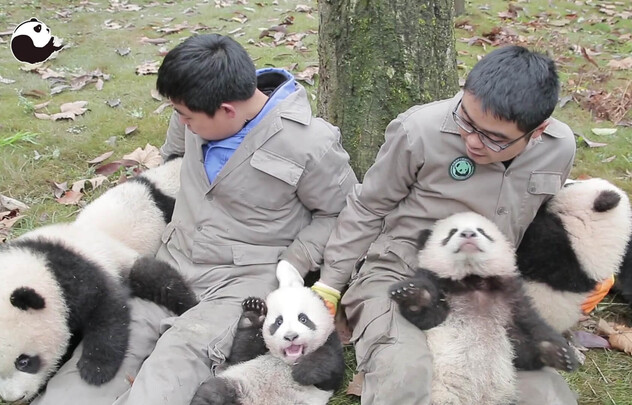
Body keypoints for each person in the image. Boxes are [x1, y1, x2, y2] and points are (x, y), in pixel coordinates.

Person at [33, 33, 357, 405]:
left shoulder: (309, 143)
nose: (182, 123)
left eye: (188, 117)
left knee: (177, 359)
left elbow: (341, 212)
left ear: (227, 110)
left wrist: (295, 262)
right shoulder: (191, 111)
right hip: (172, 261)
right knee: (107, 347)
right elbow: (172, 166)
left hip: (241, 280)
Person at [314, 45, 579, 404]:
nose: (472, 140)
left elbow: (537, 220)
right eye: (466, 121)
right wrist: (330, 285)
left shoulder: (559, 147)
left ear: (537, 131)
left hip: (488, 288)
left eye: (494, 138)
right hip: (401, 273)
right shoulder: (418, 130)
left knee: (544, 395)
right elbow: (367, 207)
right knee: (406, 374)